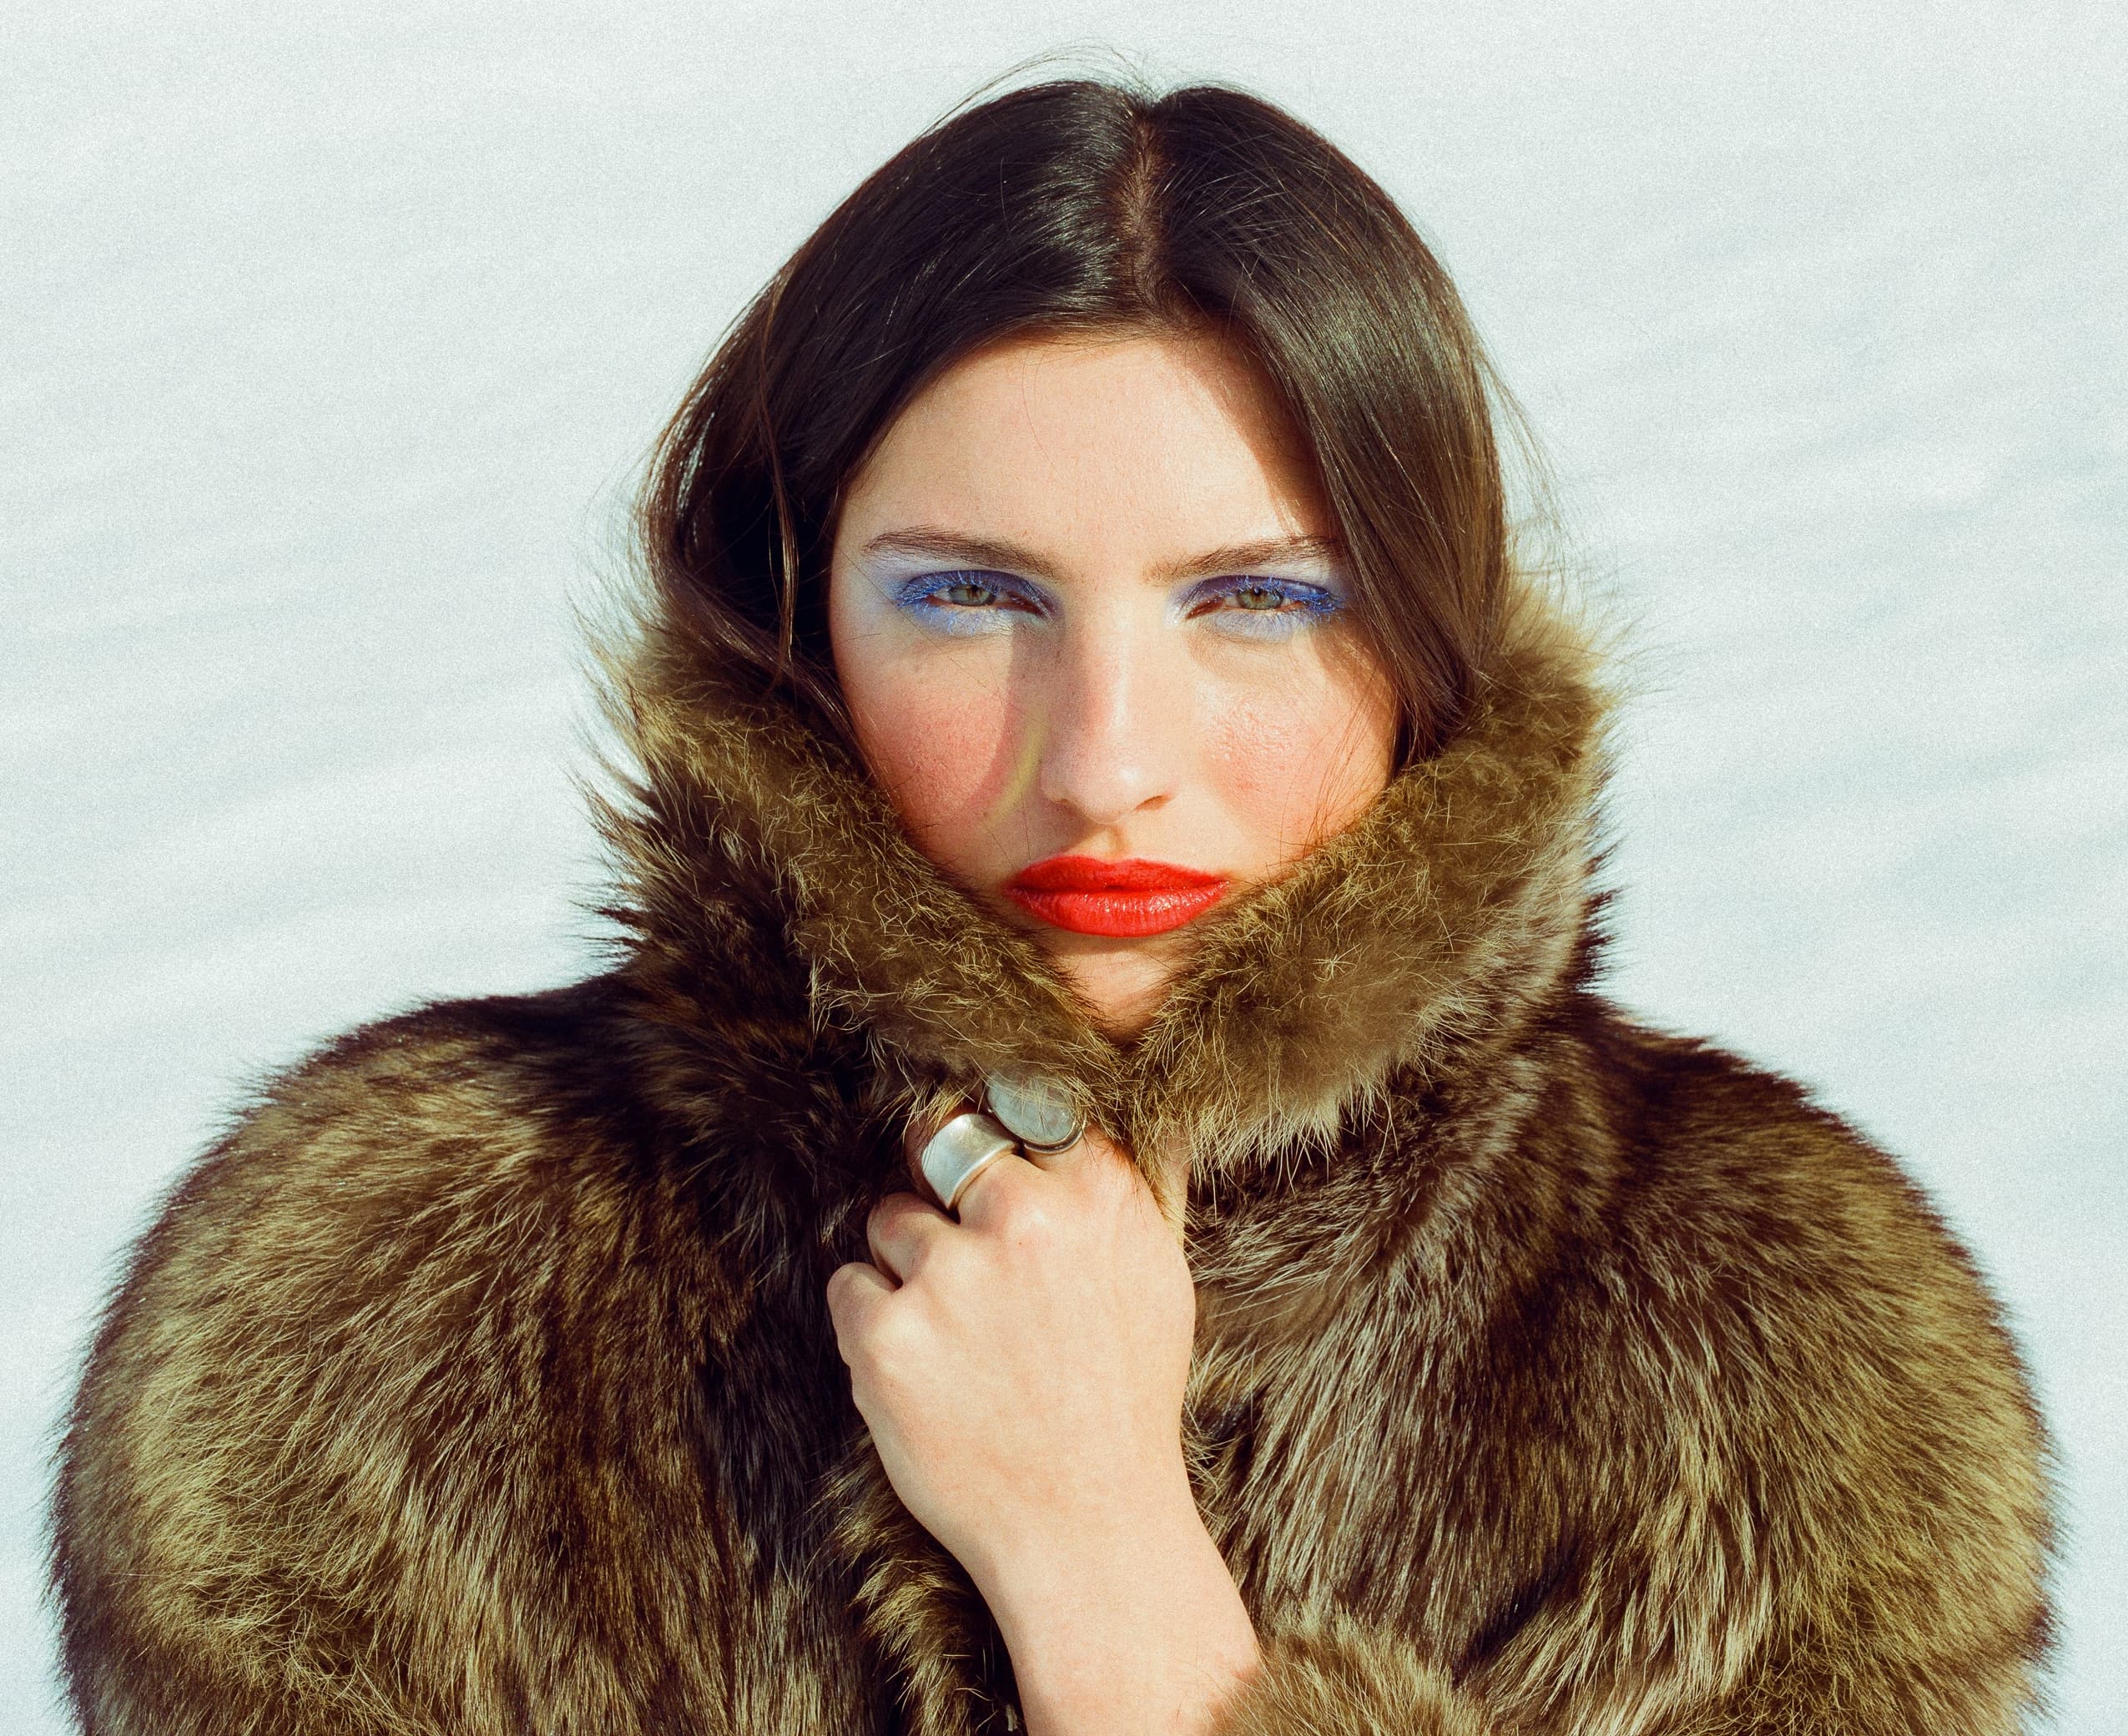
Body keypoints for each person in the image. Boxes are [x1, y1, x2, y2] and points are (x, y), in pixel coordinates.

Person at [52, 78, 2055, 1735]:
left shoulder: (1793, 1355)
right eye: (970, 593)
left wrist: (1111, 1571)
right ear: (791, 616)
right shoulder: (365, 1309)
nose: (1106, 758)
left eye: (1260, 597)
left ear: (1429, 647)